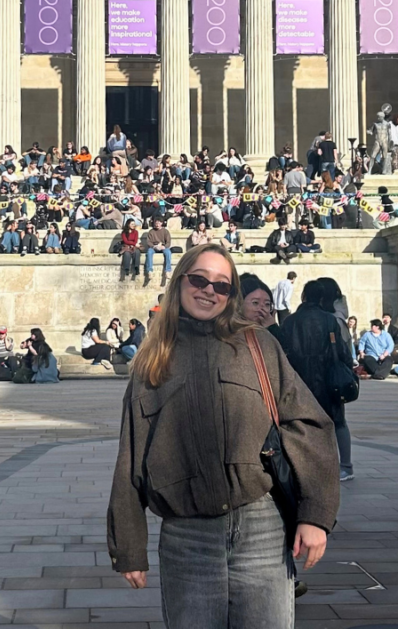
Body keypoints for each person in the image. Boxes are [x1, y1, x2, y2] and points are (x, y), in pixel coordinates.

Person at [107, 242, 339, 628]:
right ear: (180, 282)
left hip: (261, 526)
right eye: (199, 280)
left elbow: (309, 424)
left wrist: (316, 515)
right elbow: (131, 456)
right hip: (186, 535)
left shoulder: (258, 344)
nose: (208, 291)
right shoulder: (153, 360)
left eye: (222, 285)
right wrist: (128, 547)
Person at [281, 277, 357, 482]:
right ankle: (345, 466)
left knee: (304, 424)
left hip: (300, 380)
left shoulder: (290, 321)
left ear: (304, 296)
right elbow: (342, 352)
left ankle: (308, 465)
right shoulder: (329, 320)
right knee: (338, 422)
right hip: (328, 380)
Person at [143, 218, 172, 287]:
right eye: (156, 223)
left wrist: (164, 246)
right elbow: (148, 242)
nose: (157, 224)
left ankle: (167, 271)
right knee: (149, 252)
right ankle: (149, 271)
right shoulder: (151, 231)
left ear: (162, 223)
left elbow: (168, 242)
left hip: (163, 246)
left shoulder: (165, 231)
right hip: (154, 247)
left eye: (159, 223)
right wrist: (154, 246)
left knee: (168, 252)